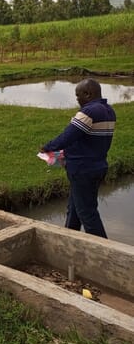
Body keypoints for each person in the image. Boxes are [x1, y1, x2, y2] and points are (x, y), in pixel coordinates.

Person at [41, 78, 116, 238]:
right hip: (97, 166)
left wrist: (48, 147)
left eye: (78, 95)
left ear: (88, 94)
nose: (77, 99)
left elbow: (68, 136)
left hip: (83, 169)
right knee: (74, 209)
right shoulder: (109, 110)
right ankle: (68, 239)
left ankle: (104, 252)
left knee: (87, 214)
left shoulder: (89, 112)